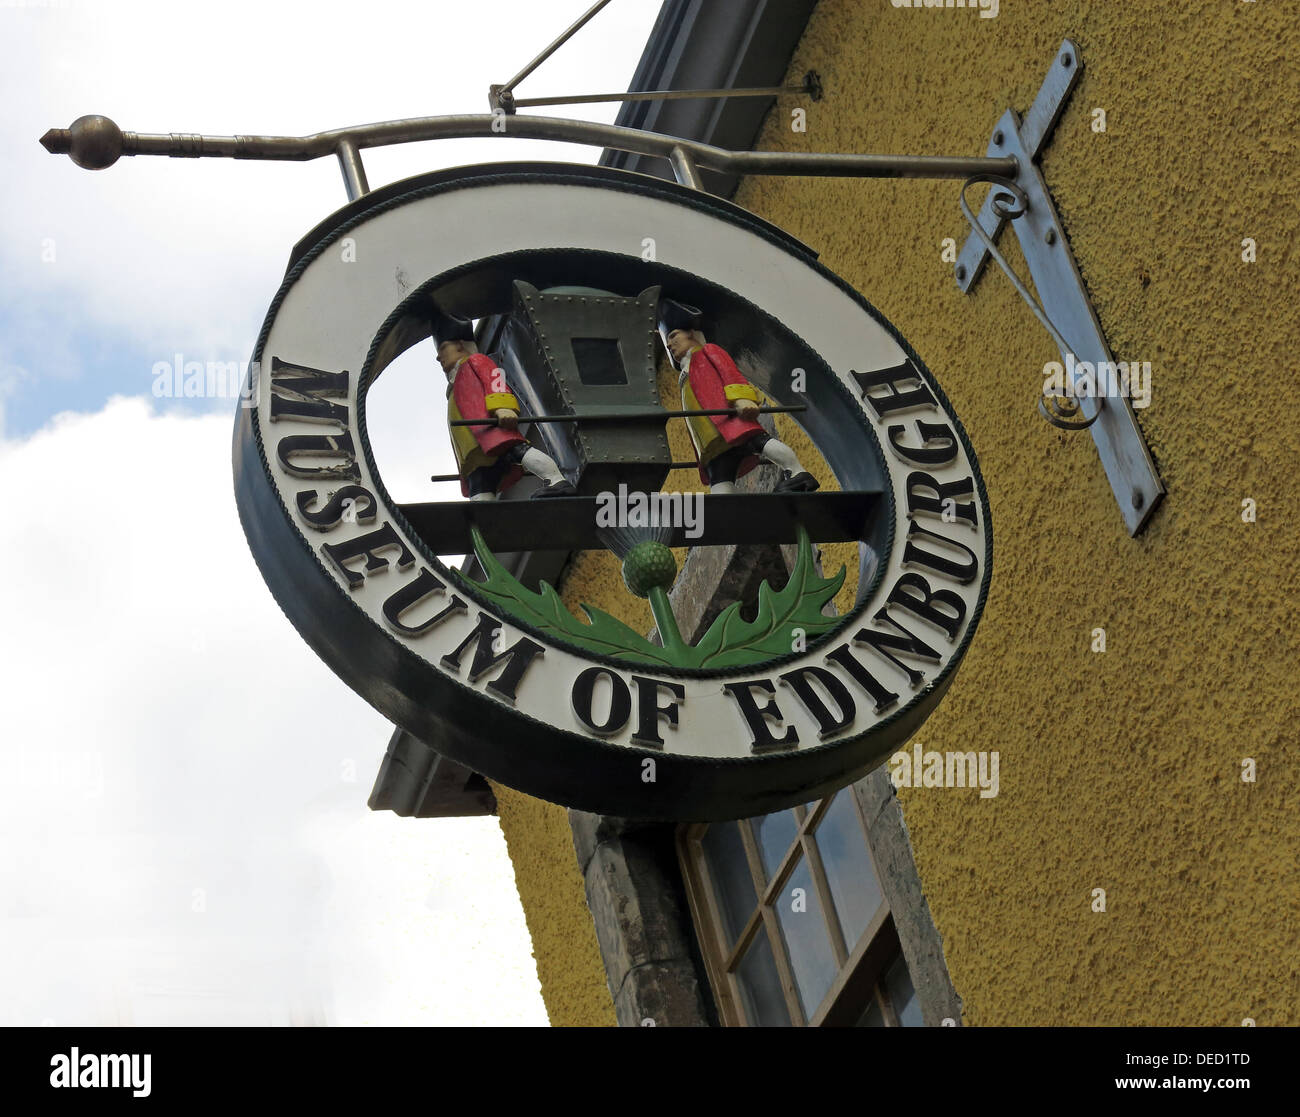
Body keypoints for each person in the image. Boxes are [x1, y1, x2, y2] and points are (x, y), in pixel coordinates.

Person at [657, 298, 819, 494]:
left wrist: (742, 398)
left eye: (674, 336)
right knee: (719, 476)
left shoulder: (708, 352)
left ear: (691, 333)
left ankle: (796, 471)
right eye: (668, 342)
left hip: (728, 421)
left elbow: (729, 373)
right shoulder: (685, 374)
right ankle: (727, 506)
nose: (671, 345)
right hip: (709, 439)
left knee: (760, 443)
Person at [429, 300, 574, 501]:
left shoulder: (477, 361)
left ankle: (556, 480)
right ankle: (485, 516)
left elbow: (495, 379)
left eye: (443, 348)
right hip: (473, 447)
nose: (439, 357)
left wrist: (504, 408)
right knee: (480, 483)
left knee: (520, 452)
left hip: (492, 431)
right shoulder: (453, 385)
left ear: (461, 346)